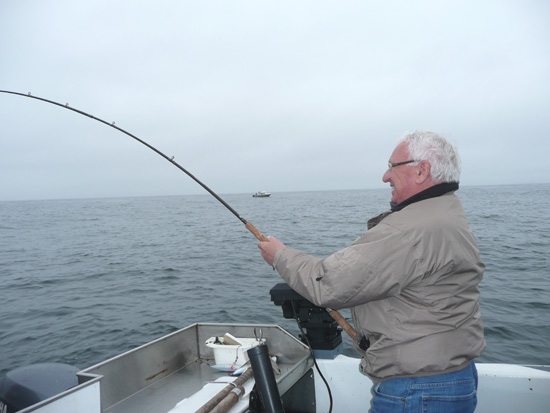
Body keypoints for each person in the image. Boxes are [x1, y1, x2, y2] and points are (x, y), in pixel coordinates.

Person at [258, 131, 486, 412]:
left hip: (417, 389)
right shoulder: (448, 214)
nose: (385, 176)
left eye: (392, 167)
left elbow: (329, 283)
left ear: (421, 170)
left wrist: (279, 256)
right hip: (453, 378)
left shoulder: (409, 230)